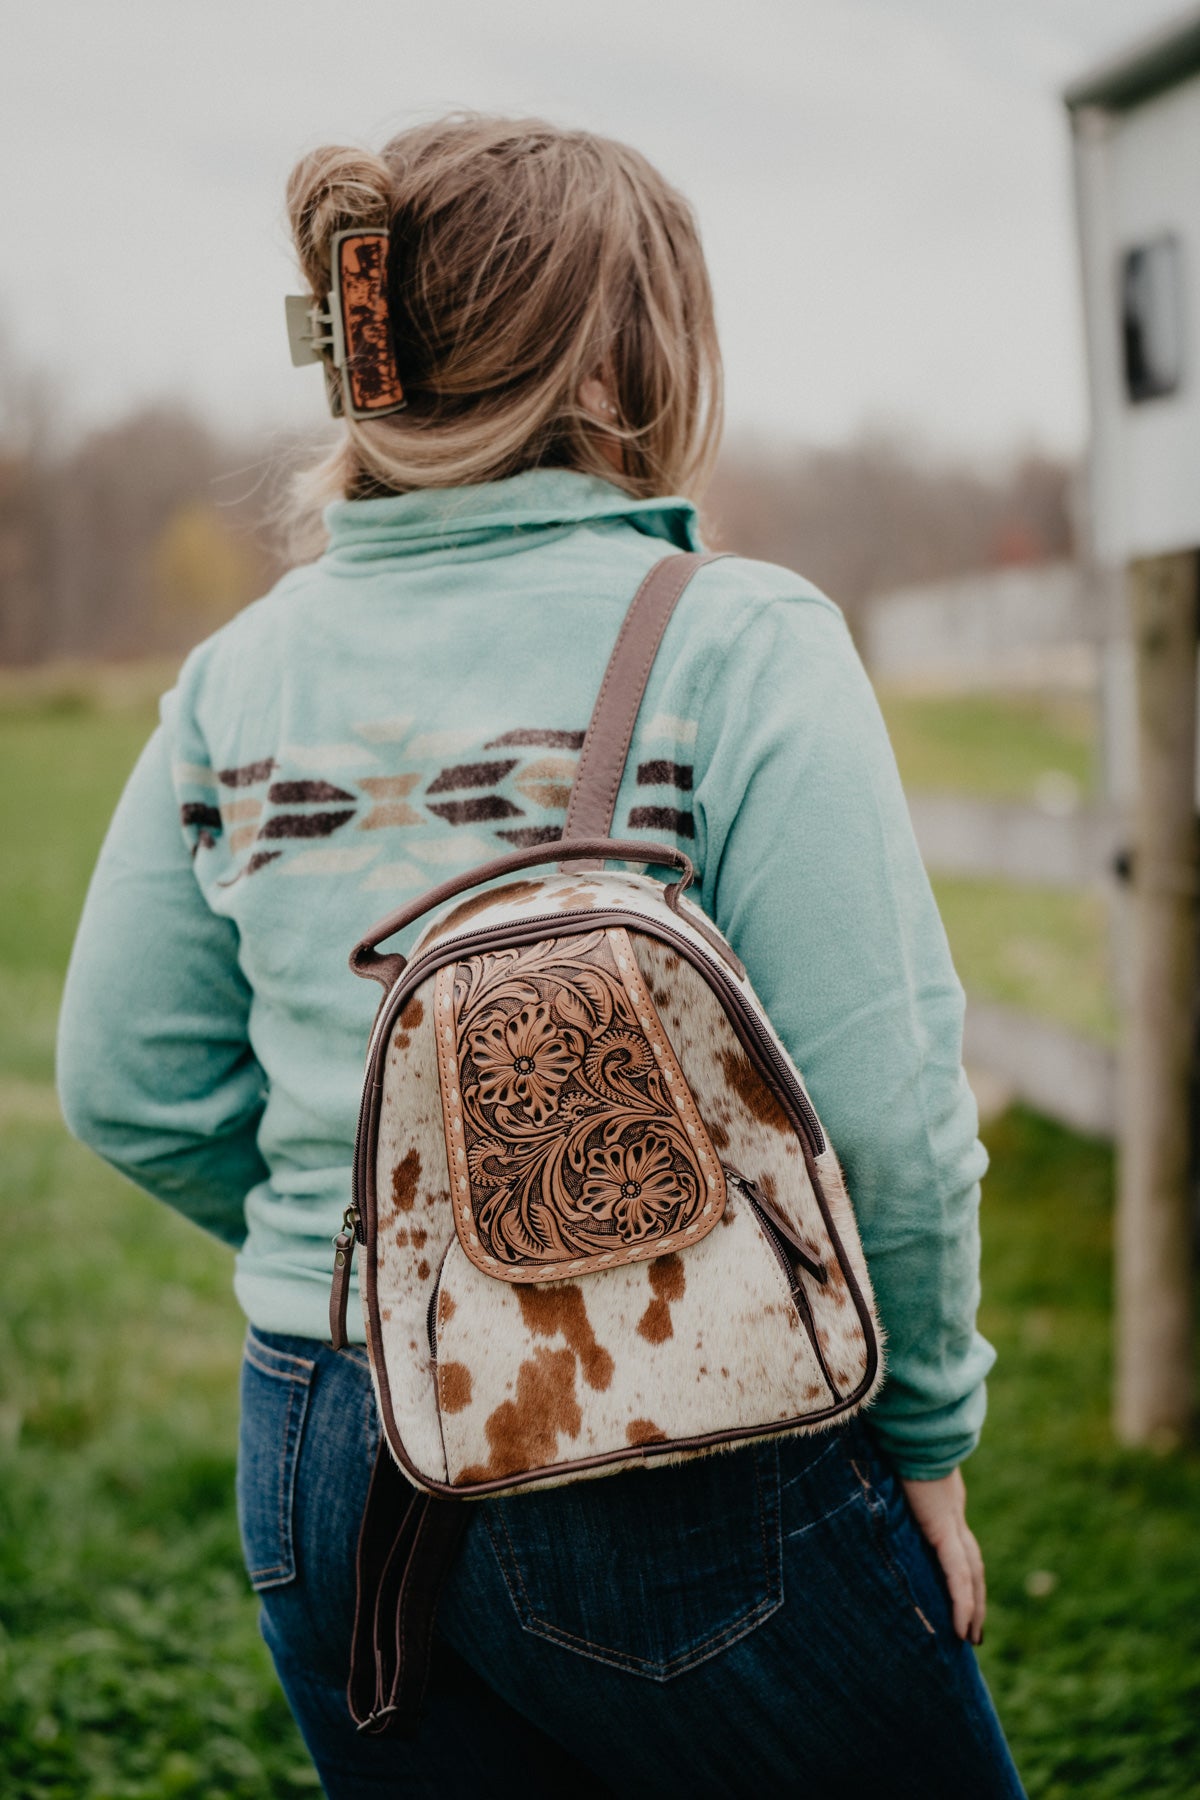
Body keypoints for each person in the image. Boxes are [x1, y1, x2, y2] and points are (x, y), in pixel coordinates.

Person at [57, 116, 1025, 1798]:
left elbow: (122, 1079)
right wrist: (927, 1441)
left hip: (320, 1439)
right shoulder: (740, 637)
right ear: (627, 352)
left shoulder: (234, 676)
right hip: (665, 1418)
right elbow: (885, 1117)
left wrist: (398, 1258)